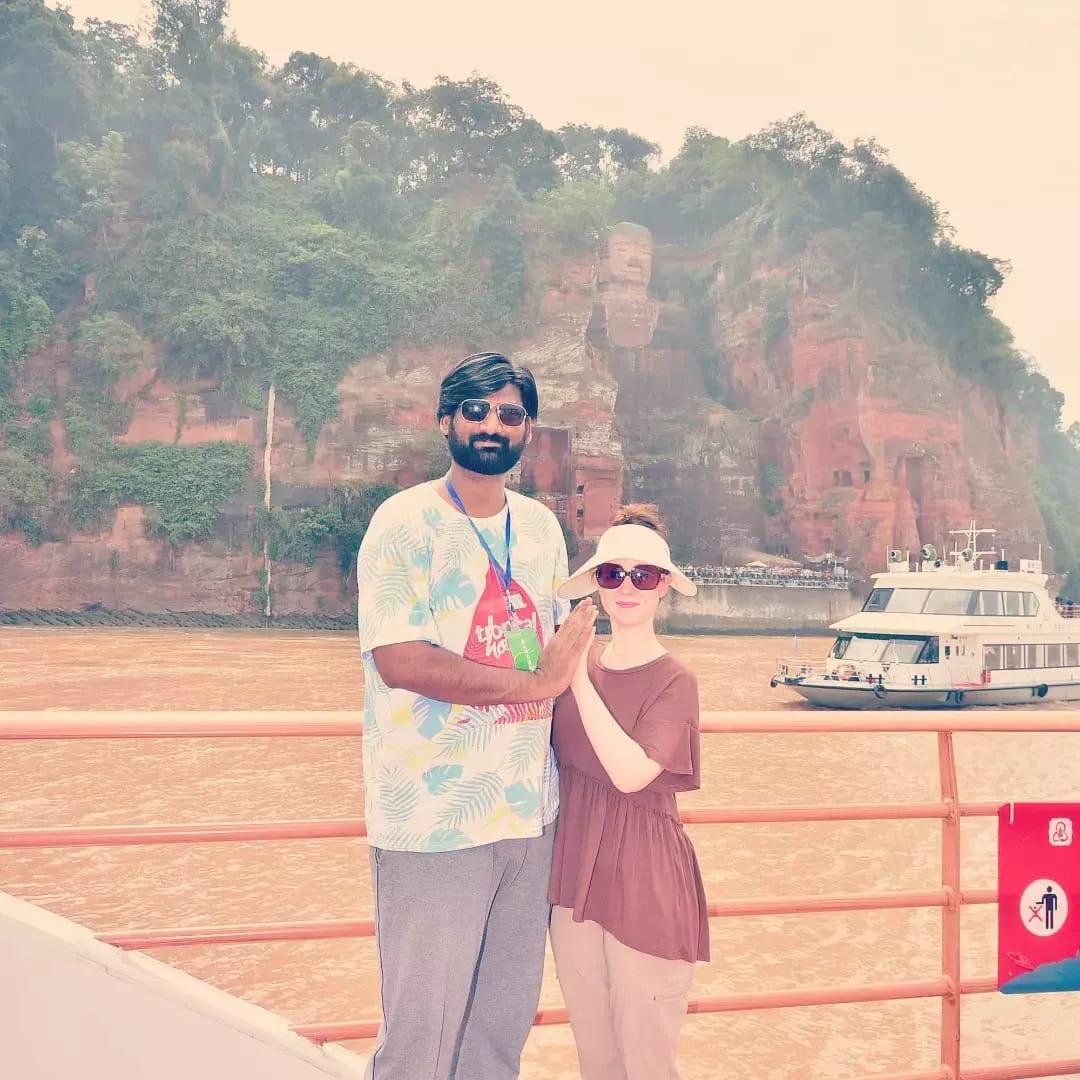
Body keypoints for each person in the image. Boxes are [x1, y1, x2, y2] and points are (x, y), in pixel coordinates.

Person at [356, 351, 597, 1080]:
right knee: (420, 1038)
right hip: (435, 817)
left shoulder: (541, 529)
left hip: (530, 813)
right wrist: (536, 682)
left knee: (498, 1030)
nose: (492, 424)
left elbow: (559, 654)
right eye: (476, 409)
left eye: (510, 414)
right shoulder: (405, 522)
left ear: (527, 431)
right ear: (446, 421)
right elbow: (399, 659)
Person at [548, 503, 709, 1080]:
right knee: (597, 1060)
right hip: (574, 879)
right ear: (596, 582)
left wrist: (576, 682)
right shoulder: (574, 661)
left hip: (645, 880)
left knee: (646, 1063)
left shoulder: (673, 680)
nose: (627, 587)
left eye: (643, 575)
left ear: (664, 585)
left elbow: (632, 773)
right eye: (613, 573)